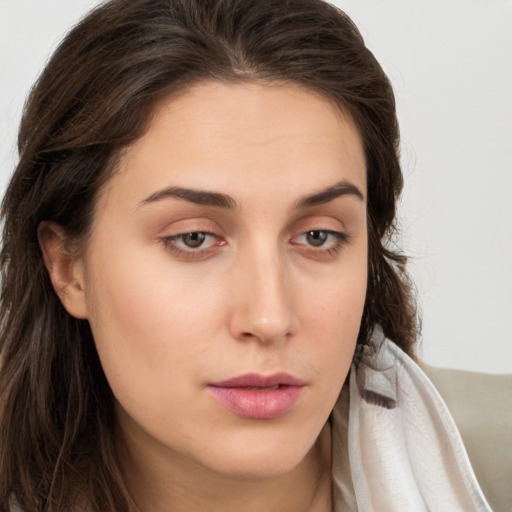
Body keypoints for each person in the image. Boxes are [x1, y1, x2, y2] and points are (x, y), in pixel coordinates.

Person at [0, 0, 492, 511]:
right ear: (67, 268)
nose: (268, 317)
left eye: (319, 236)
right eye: (194, 238)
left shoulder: (495, 470)